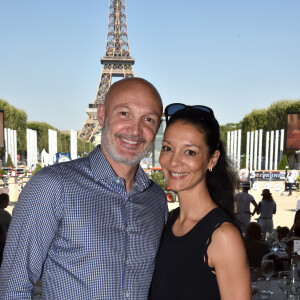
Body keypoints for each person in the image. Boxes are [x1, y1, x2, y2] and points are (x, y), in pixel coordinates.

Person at [0, 78, 169, 299]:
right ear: (101, 115)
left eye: (148, 119)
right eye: (124, 114)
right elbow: (14, 285)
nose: (135, 130)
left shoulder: (155, 199)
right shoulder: (52, 185)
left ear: (157, 127)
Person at [150, 103, 251, 299]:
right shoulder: (169, 220)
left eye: (190, 152)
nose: (173, 161)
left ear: (212, 159)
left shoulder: (223, 237)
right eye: (168, 148)